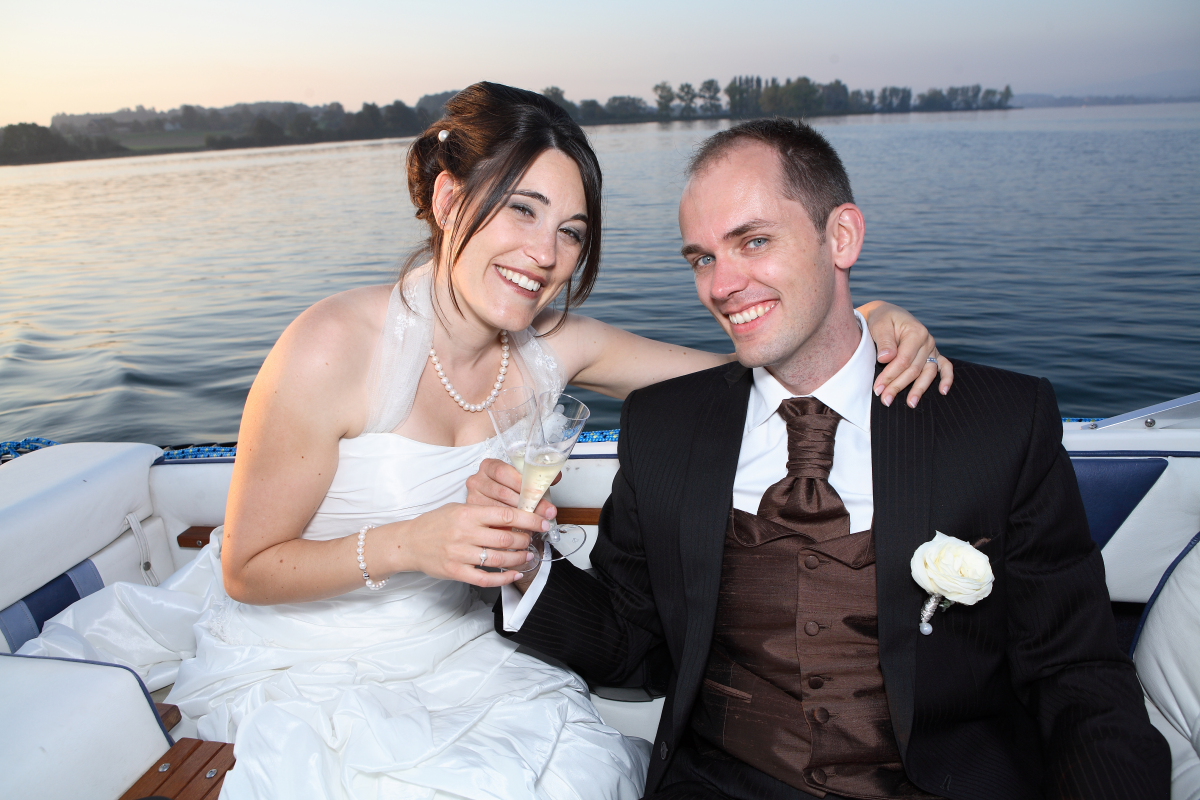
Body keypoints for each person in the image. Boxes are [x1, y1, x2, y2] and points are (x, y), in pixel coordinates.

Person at [21, 85, 950, 800]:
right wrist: (412, 544)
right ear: (447, 196)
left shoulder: (559, 347)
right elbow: (247, 569)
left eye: (571, 231)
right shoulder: (331, 346)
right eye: (522, 210)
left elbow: (750, 368)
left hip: (477, 653)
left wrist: (864, 322)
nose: (546, 254)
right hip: (318, 666)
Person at [481, 118, 1171, 800]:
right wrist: (523, 563)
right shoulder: (663, 427)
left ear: (841, 237)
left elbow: (1076, 672)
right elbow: (632, 642)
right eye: (701, 258)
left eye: (754, 241)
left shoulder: (998, 423)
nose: (721, 285)